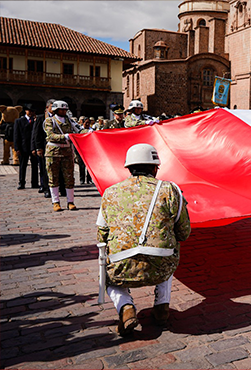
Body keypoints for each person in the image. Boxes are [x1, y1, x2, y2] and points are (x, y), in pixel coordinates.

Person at [97, 143, 191, 336]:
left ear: (129, 168)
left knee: (107, 277)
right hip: (161, 265)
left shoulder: (110, 192)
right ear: (155, 167)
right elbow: (183, 232)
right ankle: (162, 307)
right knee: (170, 250)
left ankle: (126, 307)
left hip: (122, 266)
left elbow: (101, 235)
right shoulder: (171, 190)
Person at [44, 100, 88, 211]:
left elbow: (79, 130)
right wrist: (65, 136)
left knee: (69, 178)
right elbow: (50, 135)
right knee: (53, 177)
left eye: (65, 110)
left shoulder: (70, 121)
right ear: (55, 110)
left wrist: (90, 132)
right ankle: (56, 202)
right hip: (53, 152)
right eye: (61, 110)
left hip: (67, 152)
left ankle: (70, 201)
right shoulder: (50, 121)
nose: (63, 111)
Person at [13, 105, 39, 190]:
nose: (31, 113)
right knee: (23, 165)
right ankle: (21, 182)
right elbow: (16, 135)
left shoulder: (36, 121)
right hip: (23, 147)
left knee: (35, 165)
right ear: (26, 111)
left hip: (34, 147)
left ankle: (34, 183)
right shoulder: (19, 121)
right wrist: (17, 148)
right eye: (29, 111)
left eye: (33, 111)